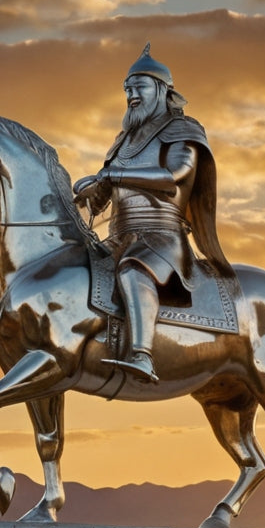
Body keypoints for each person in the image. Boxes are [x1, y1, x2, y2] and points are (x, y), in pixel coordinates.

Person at [73, 44, 233, 383]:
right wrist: (84, 194)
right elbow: (103, 196)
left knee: (133, 272)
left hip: (161, 238)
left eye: (139, 87)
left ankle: (143, 355)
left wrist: (111, 175)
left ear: (161, 89)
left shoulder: (182, 130)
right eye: (127, 89)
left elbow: (174, 177)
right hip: (118, 236)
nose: (131, 94)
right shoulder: (123, 141)